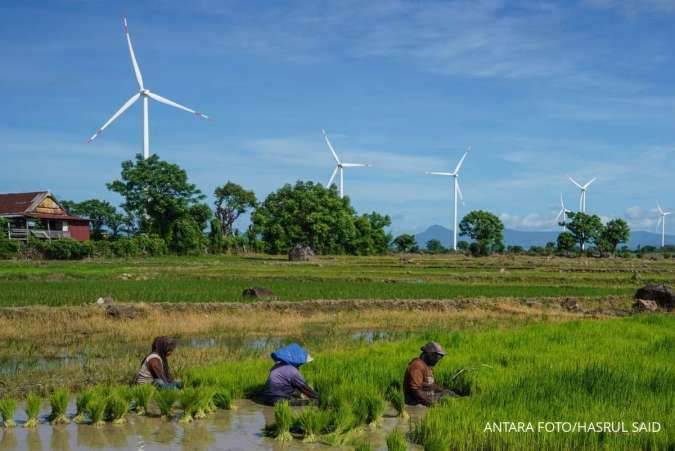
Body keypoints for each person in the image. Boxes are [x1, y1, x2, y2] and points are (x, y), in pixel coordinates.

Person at [404, 341, 455, 406]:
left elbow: (431, 386)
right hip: (417, 403)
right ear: (430, 354)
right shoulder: (417, 366)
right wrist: (431, 404)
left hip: (428, 397)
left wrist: (445, 391)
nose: (439, 359)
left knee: (448, 394)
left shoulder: (427, 367)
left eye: (441, 357)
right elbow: (415, 390)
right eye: (438, 356)